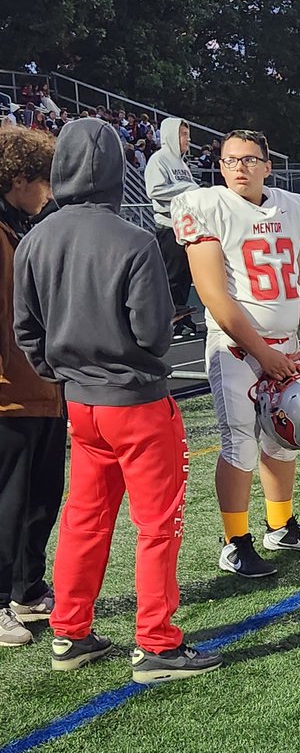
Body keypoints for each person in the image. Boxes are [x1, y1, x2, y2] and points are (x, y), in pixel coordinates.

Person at [13, 118, 222, 682]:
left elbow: (26, 329)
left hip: (78, 403)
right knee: (157, 524)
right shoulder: (134, 241)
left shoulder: (34, 240)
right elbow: (153, 333)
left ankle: (71, 631)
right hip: (138, 402)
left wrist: (59, 371)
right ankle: (156, 643)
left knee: (84, 518)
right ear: (114, 172)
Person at [171, 128, 300, 577]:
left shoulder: (291, 206)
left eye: (248, 159)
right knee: (240, 443)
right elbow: (214, 296)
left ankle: (280, 526)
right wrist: (262, 352)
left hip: (287, 347)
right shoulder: (207, 206)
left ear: (267, 164)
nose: (238, 167)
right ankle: (234, 542)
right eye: (229, 160)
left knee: (285, 441)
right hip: (238, 349)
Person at [0, 128, 65, 648]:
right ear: (17, 179)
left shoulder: (19, 228)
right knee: (8, 502)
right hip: (8, 394)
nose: (48, 192)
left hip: (41, 388)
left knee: (40, 499)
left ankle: (26, 586)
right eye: (41, 181)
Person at [145, 116, 197, 338]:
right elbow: (154, 190)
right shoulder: (159, 160)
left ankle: (183, 317)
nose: (188, 139)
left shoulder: (182, 163)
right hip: (168, 226)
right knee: (172, 276)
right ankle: (170, 321)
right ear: (171, 135)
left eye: (187, 134)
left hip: (185, 226)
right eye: (183, 134)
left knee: (186, 275)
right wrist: (187, 189)